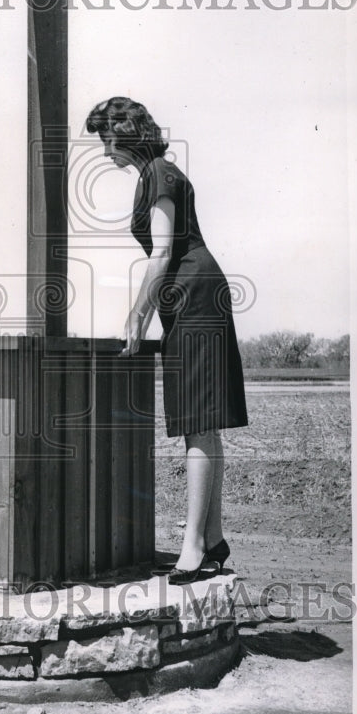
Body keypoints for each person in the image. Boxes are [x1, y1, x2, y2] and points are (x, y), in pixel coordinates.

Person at [85, 96, 248, 585]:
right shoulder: (156, 173)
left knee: (198, 422)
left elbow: (161, 252)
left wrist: (137, 315)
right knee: (203, 424)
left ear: (127, 136)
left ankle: (194, 547)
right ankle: (212, 539)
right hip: (194, 296)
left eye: (108, 142)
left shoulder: (158, 172)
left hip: (194, 295)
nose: (105, 152)